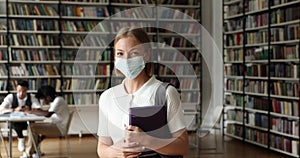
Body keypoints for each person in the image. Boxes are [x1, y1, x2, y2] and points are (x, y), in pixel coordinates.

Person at [97, 27, 189, 157]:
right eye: (120, 54)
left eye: (134, 53)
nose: (127, 59)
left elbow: (182, 146)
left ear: (146, 55)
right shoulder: (107, 97)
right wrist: (118, 153)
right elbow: (102, 148)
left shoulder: (166, 93)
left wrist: (146, 140)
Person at [22, 85, 70, 158]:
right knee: (33, 127)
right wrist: (36, 111)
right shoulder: (56, 100)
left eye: (43, 99)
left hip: (59, 128)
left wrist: (31, 112)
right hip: (57, 125)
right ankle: (34, 151)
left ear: (48, 96)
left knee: (32, 127)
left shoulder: (58, 100)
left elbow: (47, 114)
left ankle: (28, 154)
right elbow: (48, 112)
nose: (43, 101)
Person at [0, 80, 42, 152]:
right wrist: (14, 110)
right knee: (16, 122)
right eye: (19, 91)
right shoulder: (10, 97)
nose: (21, 94)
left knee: (34, 128)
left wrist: (30, 109)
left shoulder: (31, 97)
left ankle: (33, 148)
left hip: (28, 122)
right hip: (15, 123)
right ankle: (21, 138)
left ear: (27, 90)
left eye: (24, 91)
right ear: (16, 89)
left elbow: (39, 108)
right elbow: (1, 109)